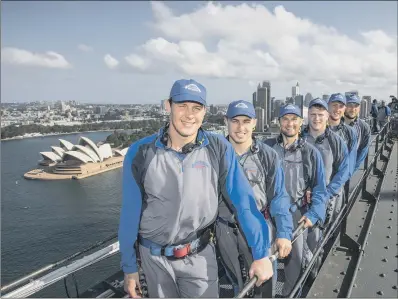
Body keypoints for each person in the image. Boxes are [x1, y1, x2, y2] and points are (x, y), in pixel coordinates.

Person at [119, 79, 274, 298]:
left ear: (204, 112)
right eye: (182, 106)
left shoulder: (218, 148)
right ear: (167, 106)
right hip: (153, 262)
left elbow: (243, 202)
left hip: (199, 256)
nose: (189, 114)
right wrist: (129, 268)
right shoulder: (141, 152)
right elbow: (129, 214)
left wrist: (261, 253)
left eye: (196, 108)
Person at [218, 100, 293, 297]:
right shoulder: (216, 154)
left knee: (264, 281)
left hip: (260, 224)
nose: (240, 127)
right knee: (234, 280)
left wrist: (284, 231)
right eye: (235, 121)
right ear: (226, 121)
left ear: (254, 123)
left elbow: (278, 195)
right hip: (225, 227)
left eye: (246, 121)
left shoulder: (267, 156)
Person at [264, 104, 328, 297]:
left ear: (301, 123)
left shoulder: (310, 153)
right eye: (285, 119)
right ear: (279, 122)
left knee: (295, 264)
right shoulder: (266, 148)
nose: (289, 123)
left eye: (294, 119)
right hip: (268, 215)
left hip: (296, 214)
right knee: (267, 263)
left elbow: (319, 189)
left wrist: (314, 213)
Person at [301, 99, 350, 278]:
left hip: (322, 199)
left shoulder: (335, 142)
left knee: (315, 240)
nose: (316, 119)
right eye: (313, 114)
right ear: (307, 116)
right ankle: (302, 272)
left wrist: (327, 194)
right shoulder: (299, 138)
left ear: (327, 117)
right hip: (299, 198)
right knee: (299, 241)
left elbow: (343, 171)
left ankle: (311, 276)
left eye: (320, 115)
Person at [327, 93, 358, 178]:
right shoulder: (318, 130)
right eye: (334, 105)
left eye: (341, 106)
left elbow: (350, 163)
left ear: (344, 109)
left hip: (339, 185)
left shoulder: (350, 132)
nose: (337, 109)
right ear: (328, 106)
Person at [343, 94, 371, 173]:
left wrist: (351, 170)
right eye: (350, 105)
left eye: (356, 106)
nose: (353, 109)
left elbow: (362, 152)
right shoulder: (334, 124)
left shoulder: (364, 127)